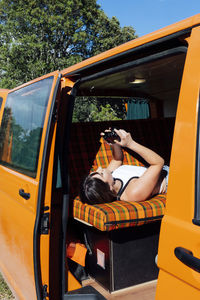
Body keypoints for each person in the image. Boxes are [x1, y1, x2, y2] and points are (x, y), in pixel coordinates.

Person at [80, 129, 169, 205]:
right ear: (109, 188)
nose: (99, 168)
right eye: (101, 174)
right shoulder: (133, 192)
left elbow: (117, 160)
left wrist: (113, 141)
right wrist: (130, 143)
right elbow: (158, 163)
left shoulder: (112, 178)